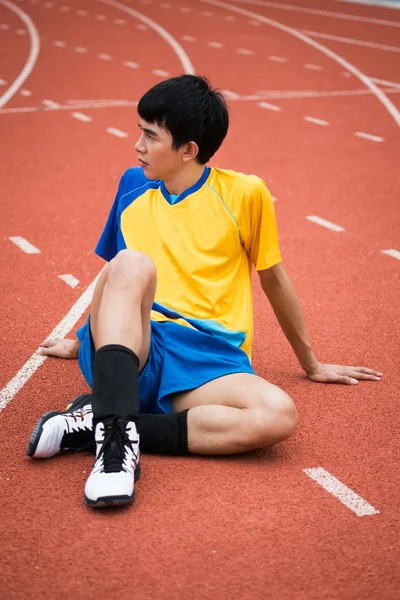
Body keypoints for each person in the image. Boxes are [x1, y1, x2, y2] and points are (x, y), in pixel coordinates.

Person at [26, 75, 382, 509]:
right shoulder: (131, 185)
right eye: (140, 130)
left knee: (277, 416)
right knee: (132, 262)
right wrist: (84, 338)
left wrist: (312, 363)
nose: (137, 144)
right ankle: (116, 456)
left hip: (210, 358)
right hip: (136, 345)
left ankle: (97, 424)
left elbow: (274, 278)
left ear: (188, 150)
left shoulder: (244, 194)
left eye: (150, 135)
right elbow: (116, 277)